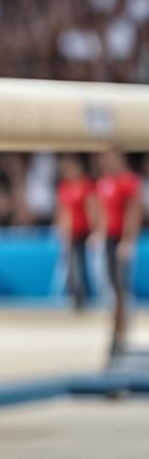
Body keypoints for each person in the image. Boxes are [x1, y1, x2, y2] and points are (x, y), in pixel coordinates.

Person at [93, 148, 142, 355]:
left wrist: (128, 240)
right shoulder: (104, 182)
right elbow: (102, 211)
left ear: (118, 157)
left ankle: (120, 333)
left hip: (121, 239)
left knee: (121, 287)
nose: (105, 161)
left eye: (108, 157)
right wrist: (99, 233)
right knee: (111, 286)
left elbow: (134, 210)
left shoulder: (128, 181)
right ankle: (116, 329)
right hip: (109, 239)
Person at [55, 155, 94, 310]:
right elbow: (61, 211)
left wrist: (94, 231)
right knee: (71, 265)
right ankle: (74, 296)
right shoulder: (64, 187)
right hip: (69, 233)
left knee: (80, 265)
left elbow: (92, 209)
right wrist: (61, 231)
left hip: (83, 233)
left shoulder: (86, 186)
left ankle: (82, 297)